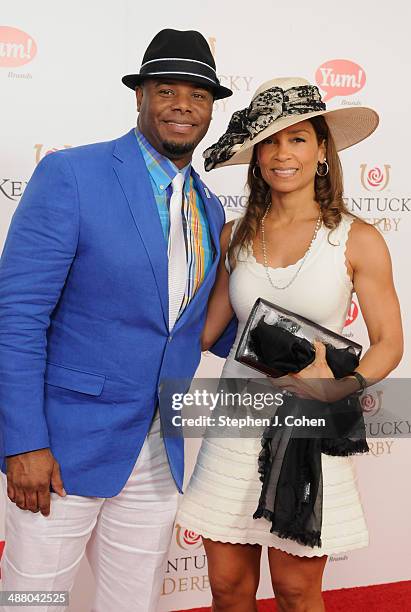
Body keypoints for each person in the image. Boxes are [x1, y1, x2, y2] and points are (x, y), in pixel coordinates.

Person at [0, 29, 235, 612]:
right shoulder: (73, 176)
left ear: (211, 109)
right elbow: (17, 317)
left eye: (198, 95)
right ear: (139, 97)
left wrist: (299, 349)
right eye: (167, 90)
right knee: (33, 601)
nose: (183, 105)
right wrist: (24, 441)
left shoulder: (209, 206)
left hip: (159, 451)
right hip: (62, 449)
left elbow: (193, 326)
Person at [177, 77, 403, 612]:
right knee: (228, 587)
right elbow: (203, 333)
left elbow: (390, 341)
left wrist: (341, 386)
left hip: (309, 428)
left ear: (322, 150)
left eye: (298, 138)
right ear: (256, 157)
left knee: (297, 590)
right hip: (234, 425)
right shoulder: (234, 235)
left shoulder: (359, 238)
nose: (283, 154)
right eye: (271, 142)